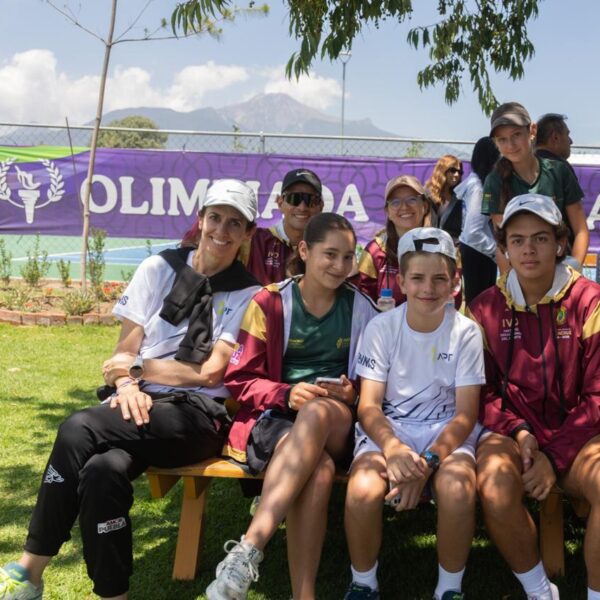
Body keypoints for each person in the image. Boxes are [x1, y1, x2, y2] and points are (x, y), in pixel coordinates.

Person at [0, 179, 262, 600]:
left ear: (248, 233)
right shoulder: (158, 268)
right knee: (102, 472)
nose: (222, 230)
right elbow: (122, 351)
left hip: (195, 416)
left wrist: (137, 369)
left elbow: (210, 374)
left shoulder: (249, 293)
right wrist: (126, 384)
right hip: (134, 404)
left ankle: (30, 569)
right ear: (201, 219)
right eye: (215, 217)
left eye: (235, 223)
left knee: (77, 429)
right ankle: (113, 595)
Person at [205, 213, 379, 600]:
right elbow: (239, 380)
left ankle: (250, 547)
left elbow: (376, 384)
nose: (339, 266)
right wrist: (285, 394)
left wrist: (353, 393)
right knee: (317, 473)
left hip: (337, 421)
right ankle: (305, 595)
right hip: (278, 419)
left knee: (317, 411)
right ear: (304, 250)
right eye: (329, 254)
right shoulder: (269, 301)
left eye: (348, 257)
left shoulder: (362, 308)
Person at [469, 194, 600, 600]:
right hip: (513, 433)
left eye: (540, 238)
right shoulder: (482, 308)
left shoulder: (593, 301)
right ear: (503, 246)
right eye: (518, 239)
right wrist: (520, 431)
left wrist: (553, 456)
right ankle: (541, 592)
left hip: (578, 434)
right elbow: (479, 392)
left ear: (560, 243)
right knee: (493, 484)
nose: (528, 249)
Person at [343, 228, 485, 600]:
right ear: (401, 281)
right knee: (361, 490)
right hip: (390, 432)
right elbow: (368, 406)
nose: (428, 288)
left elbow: (466, 414)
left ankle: (449, 589)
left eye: (440, 278)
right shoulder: (381, 327)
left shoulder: (467, 332)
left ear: (455, 282)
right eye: (417, 278)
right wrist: (393, 448)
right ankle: (363, 583)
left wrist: (428, 461)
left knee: (456, 490)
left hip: (445, 434)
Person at [482, 102, 590, 272]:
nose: (510, 145)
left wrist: (573, 269)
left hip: (560, 269)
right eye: (502, 139)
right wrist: (510, 284)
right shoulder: (494, 181)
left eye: (516, 134)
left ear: (532, 131)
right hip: (521, 273)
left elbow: (581, 230)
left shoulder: (559, 171)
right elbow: (503, 243)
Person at [181, 168, 325, 284]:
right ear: (280, 202)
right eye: (295, 198)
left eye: (311, 200)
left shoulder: (327, 249)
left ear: (321, 206)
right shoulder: (254, 240)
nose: (302, 207)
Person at [356, 175, 432, 306]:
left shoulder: (442, 247)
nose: (404, 207)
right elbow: (363, 303)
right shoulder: (375, 251)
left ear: (424, 206)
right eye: (395, 202)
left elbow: (452, 299)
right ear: (387, 212)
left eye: (412, 199)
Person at [456, 136, 501, 304]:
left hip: (478, 251)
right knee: (480, 305)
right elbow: (473, 231)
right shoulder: (478, 188)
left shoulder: (476, 182)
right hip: (478, 253)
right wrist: (496, 252)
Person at [426, 155, 465, 241]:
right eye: (453, 170)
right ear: (443, 170)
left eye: (460, 172)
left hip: (453, 245)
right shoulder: (428, 194)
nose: (457, 175)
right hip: (431, 243)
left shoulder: (459, 196)